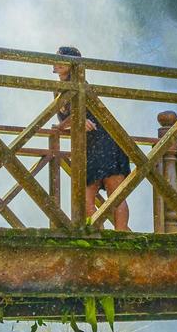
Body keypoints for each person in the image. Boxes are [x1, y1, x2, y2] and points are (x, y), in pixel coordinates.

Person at [52, 46, 131, 231]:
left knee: (116, 195)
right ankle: (97, 236)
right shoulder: (58, 90)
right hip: (88, 146)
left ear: (73, 65)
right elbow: (72, 119)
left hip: (107, 141)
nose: (56, 62)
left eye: (62, 59)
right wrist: (69, 123)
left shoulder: (81, 85)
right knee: (85, 199)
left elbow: (79, 117)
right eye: (55, 58)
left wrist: (67, 124)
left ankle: (120, 236)